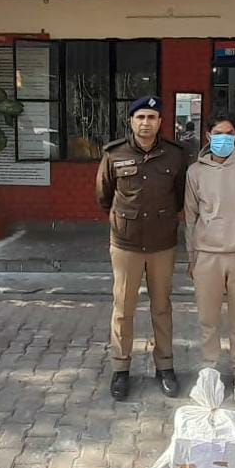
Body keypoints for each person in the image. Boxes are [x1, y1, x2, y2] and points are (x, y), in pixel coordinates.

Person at [96, 95, 187, 401]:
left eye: (151, 117)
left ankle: (165, 367)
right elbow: (104, 196)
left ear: (160, 122)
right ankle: (121, 369)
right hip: (126, 245)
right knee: (123, 308)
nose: (146, 123)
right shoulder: (114, 154)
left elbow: (180, 197)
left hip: (162, 244)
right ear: (131, 121)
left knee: (162, 307)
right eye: (140, 117)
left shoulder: (175, 155)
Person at [185, 111, 235, 408]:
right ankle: (209, 371)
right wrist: (191, 256)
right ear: (208, 136)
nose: (223, 138)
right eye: (217, 133)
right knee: (207, 319)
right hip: (207, 255)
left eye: (228, 133)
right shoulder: (195, 172)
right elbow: (190, 217)